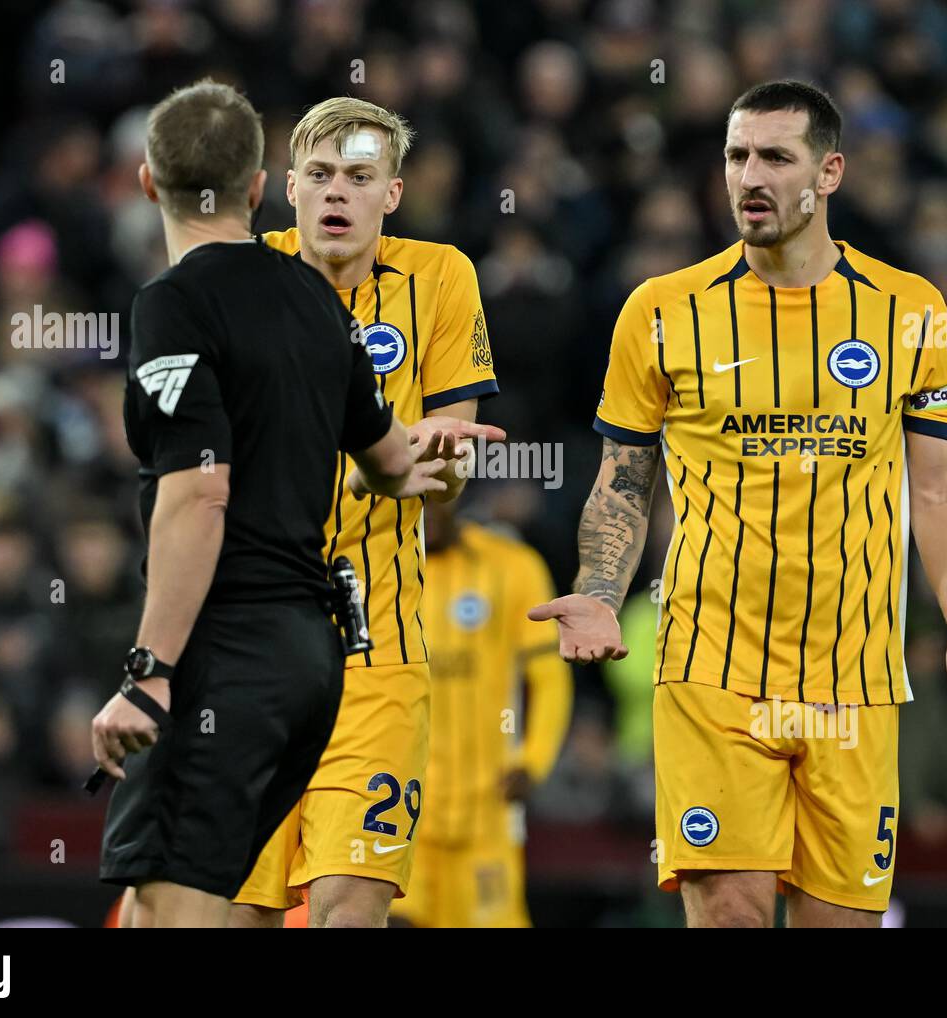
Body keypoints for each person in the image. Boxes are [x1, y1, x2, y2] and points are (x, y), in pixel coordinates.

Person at [529, 80, 947, 928]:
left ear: (830, 171)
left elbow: (939, 485)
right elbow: (623, 477)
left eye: (775, 156)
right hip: (711, 670)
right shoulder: (659, 311)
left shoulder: (907, 310)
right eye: (736, 156)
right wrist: (599, 588)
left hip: (856, 679)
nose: (749, 176)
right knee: (730, 911)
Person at [92, 80, 450, 928]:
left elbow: (199, 494)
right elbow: (394, 459)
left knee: (177, 905)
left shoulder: (172, 303)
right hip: (310, 661)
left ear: (148, 182)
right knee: (175, 901)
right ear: (262, 188)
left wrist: (149, 677)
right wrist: (432, 454)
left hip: (228, 650)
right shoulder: (319, 305)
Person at [230, 96, 501, 928]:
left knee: (350, 908)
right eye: (319, 175)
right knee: (239, 914)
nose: (336, 192)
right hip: (250, 651)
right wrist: (378, 468)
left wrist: (441, 469)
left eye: (358, 175)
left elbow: (454, 459)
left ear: (393, 193)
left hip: (378, 651)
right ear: (285, 188)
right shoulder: (239, 280)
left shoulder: (443, 277)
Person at [388, 499, 572, 927]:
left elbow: (550, 678)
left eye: (433, 496)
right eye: (411, 500)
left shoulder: (511, 566)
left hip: (488, 806)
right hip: (402, 807)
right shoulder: (381, 570)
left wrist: (533, 760)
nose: (425, 512)